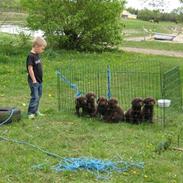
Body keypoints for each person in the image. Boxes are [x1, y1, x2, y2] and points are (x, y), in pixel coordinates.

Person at [26, 36, 47, 119]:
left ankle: (36, 110)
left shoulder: (37, 55)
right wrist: (34, 80)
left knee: (39, 96)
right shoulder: (30, 56)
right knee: (35, 96)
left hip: (39, 80)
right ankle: (30, 113)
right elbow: (30, 68)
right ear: (36, 46)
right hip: (34, 81)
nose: (43, 50)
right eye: (42, 48)